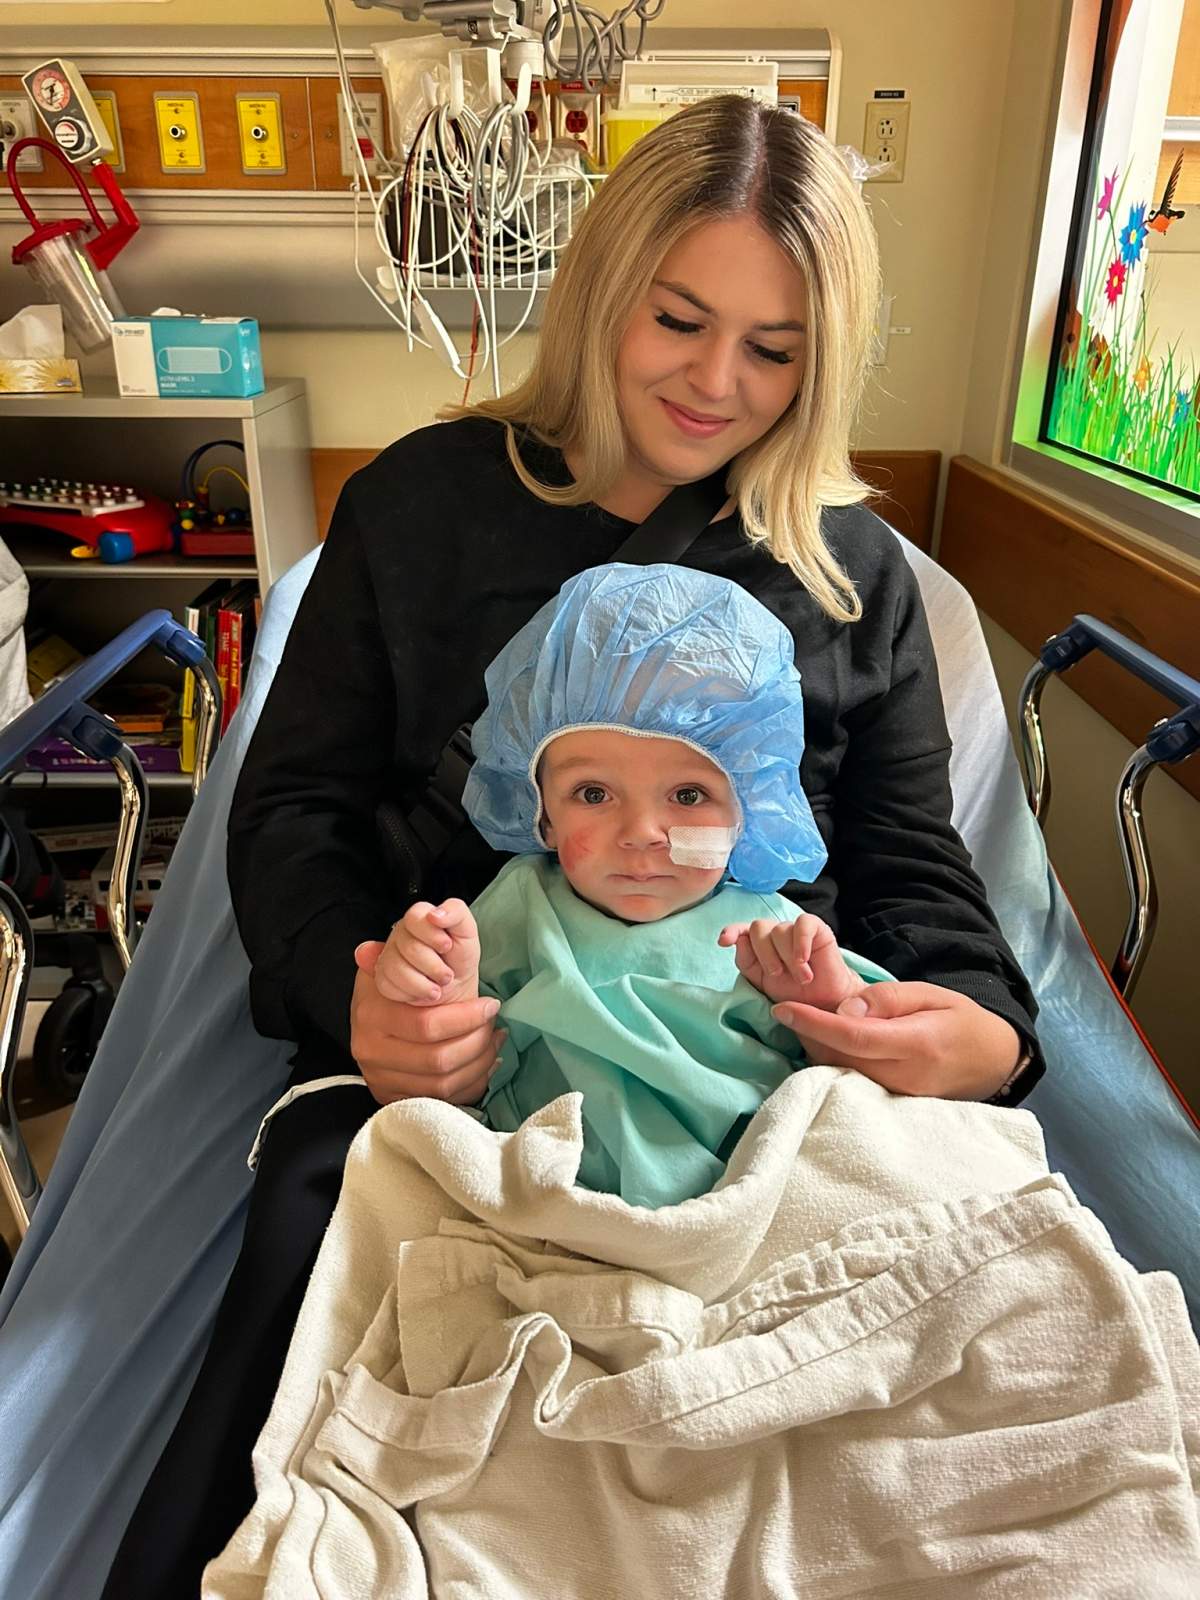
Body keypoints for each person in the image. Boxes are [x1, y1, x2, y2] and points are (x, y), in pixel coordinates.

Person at [103, 94, 1042, 1596]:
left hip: (766, 1069)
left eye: (776, 349)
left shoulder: (852, 577)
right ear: (606, 282)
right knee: (309, 1434)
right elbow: (299, 809)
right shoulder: (419, 509)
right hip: (460, 1073)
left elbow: (916, 858)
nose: (717, 382)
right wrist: (358, 994)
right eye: (680, 318)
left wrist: (981, 1033)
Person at [376, 562, 896, 1209]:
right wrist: (432, 990)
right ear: (539, 808)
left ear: (751, 809)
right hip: (541, 1198)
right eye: (593, 793)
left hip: (739, 1196)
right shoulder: (517, 908)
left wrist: (823, 1006)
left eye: (688, 794)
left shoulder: (772, 934)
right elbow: (451, 1072)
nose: (643, 832)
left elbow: (871, 1064)